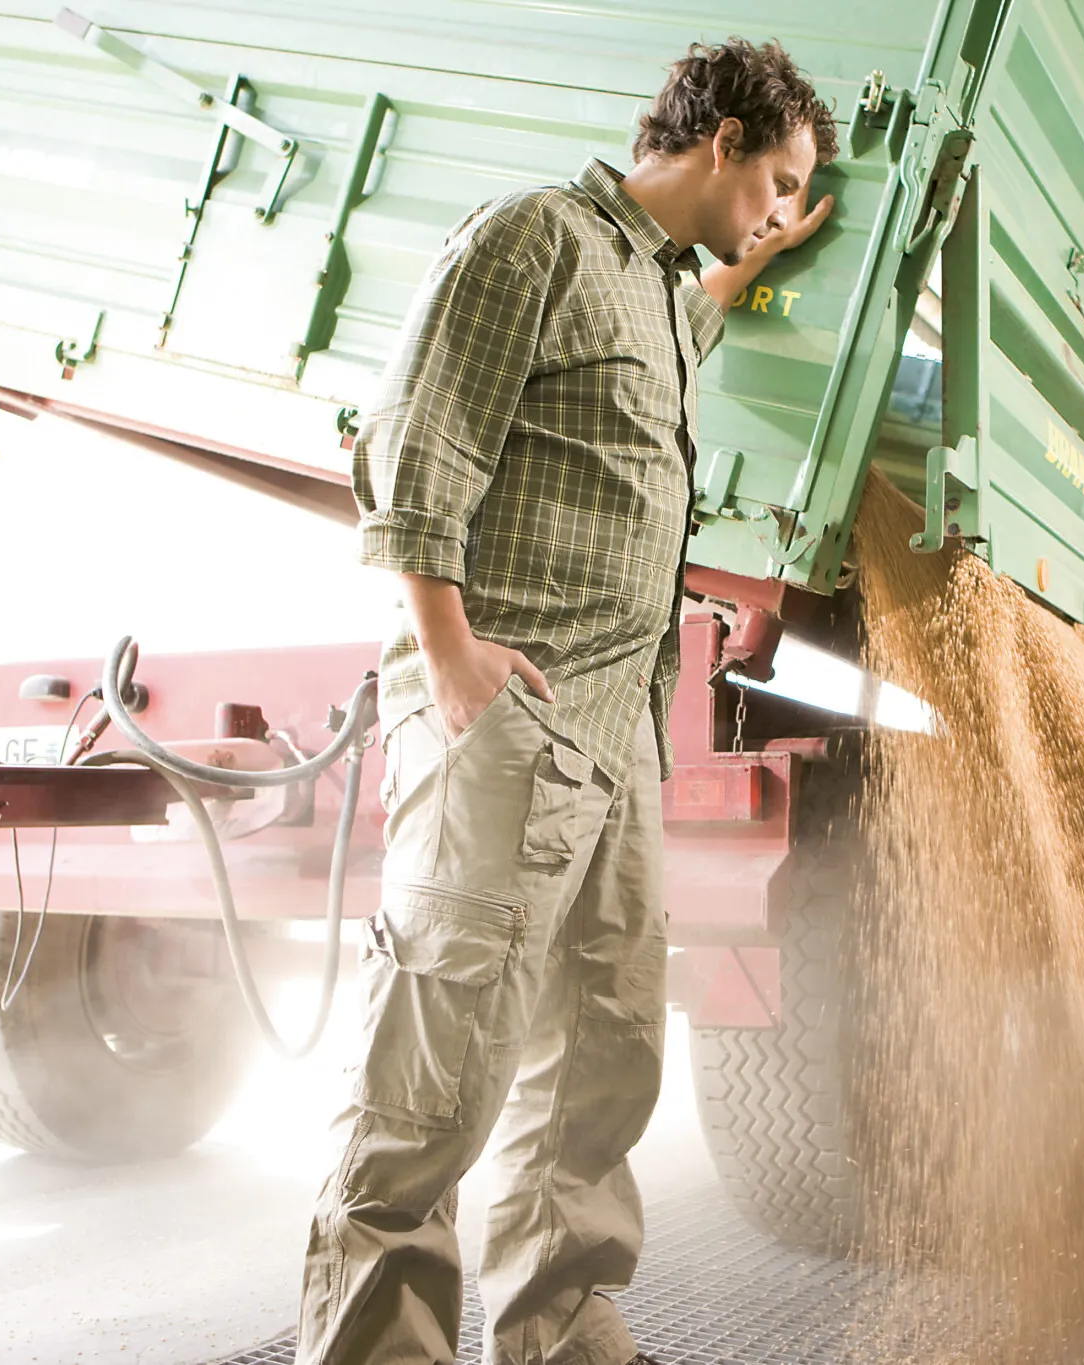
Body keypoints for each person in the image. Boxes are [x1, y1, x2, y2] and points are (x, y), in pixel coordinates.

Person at [297, 37, 838, 1365]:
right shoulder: (534, 236)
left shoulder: (658, 295)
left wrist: (754, 259)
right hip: (508, 724)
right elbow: (415, 438)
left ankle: (562, 1331)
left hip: (615, 740)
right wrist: (447, 652)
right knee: (432, 1071)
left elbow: (693, 308)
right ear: (721, 142)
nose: (775, 205)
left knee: (599, 1060)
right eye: (773, 178)